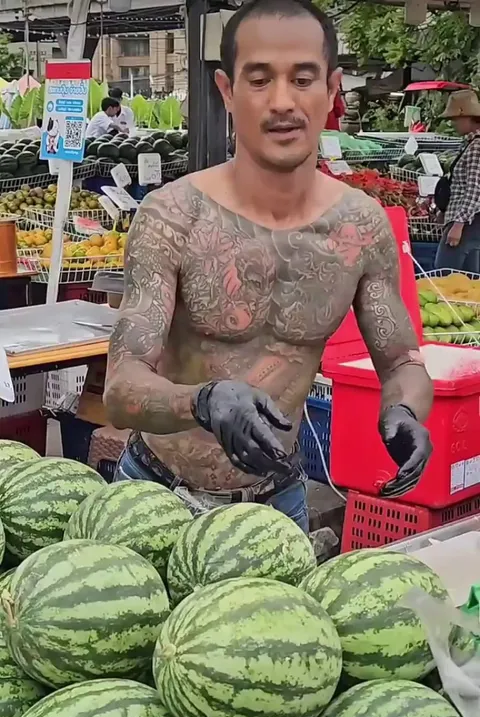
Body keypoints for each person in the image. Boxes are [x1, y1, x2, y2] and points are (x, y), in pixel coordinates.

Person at [104, 0, 433, 531]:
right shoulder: (174, 216)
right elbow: (120, 388)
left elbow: (402, 363)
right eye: (259, 80)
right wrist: (204, 401)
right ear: (227, 92)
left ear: (332, 89)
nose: (283, 102)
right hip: (155, 498)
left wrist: (405, 412)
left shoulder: (360, 228)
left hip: (276, 508)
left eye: (303, 78)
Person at [435, 89, 480, 273]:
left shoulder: (476, 147)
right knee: (470, 275)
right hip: (466, 219)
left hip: (467, 221)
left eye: (455, 119)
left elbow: (475, 189)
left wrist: (458, 224)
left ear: (467, 117)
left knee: (444, 272)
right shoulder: (470, 144)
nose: (453, 123)